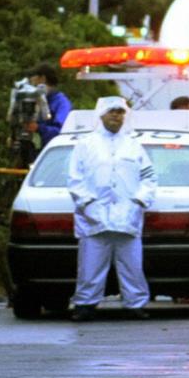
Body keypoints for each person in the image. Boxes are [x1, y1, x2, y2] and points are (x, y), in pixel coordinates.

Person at [67, 96, 156, 322]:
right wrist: (87, 204)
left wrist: (139, 201)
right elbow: (75, 179)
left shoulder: (133, 145)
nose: (116, 116)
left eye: (120, 112)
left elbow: (149, 177)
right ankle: (85, 304)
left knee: (132, 266)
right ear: (101, 114)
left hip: (128, 217)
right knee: (90, 266)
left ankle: (135, 304)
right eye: (111, 111)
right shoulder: (85, 145)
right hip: (94, 218)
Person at [28, 62, 72, 149]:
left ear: (43, 79)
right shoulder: (34, 100)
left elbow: (61, 132)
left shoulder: (61, 103)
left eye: (34, 84)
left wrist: (38, 128)